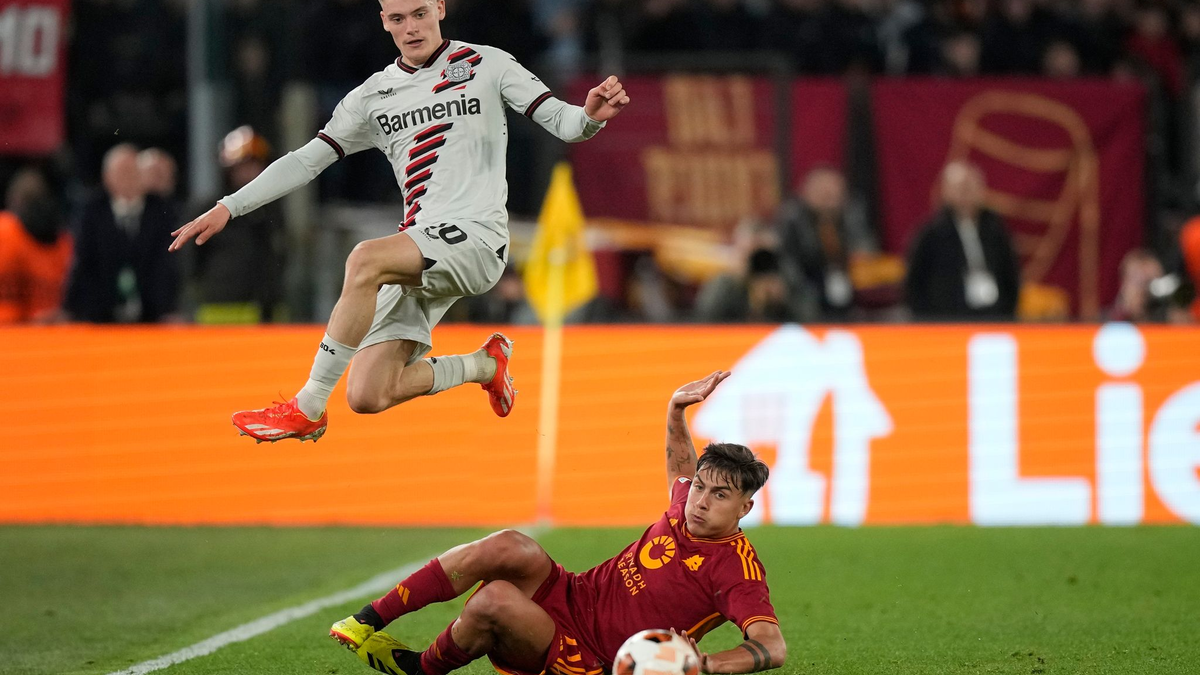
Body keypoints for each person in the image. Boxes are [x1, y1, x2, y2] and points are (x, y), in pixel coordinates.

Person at [169, 0, 630, 442]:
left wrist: (590, 116)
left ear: (440, 8)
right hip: (422, 245)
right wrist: (229, 206)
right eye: (397, 18)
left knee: (364, 258)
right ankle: (485, 365)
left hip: (477, 239)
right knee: (368, 393)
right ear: (383, 21)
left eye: (420, 14)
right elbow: (306, 160)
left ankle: (307, 407)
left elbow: (564, 122)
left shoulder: (488, 64)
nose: (411, 28)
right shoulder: (371, 97)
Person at [329, 370, 786, 675]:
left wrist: (706, 664)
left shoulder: (736, 568)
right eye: (701, 486)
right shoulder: (687, 504)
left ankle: (420, 669)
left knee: (495, 600)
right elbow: (682, 465)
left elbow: (771, 645)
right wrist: (675, 409)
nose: (700, 501)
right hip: (572, 595)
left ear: (744, 508)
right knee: (510, 545)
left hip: (592, 658)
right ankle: (368, 618)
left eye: (719, 495)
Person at [65, 144, 182, 323]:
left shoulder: (163, 212)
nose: (128, 178)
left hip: (154, 316)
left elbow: (168, 266)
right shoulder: (91, 212)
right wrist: (72, 309)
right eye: (121, 172)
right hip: (100, 316)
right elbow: (82, 263)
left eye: (133, 171)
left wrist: (169, 308)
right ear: (107, 178)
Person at [905, 161, 1020, 321]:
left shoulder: (995, 230)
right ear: (946, 191)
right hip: (947, 320)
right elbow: (914, 282)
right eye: (960, 187)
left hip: (993, 316)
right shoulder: (932, 233)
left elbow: (1011, 275)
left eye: (970, 186)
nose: (965, 193)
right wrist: (928, 318)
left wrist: (1007, 312)